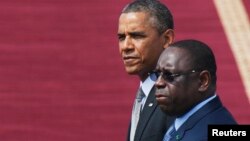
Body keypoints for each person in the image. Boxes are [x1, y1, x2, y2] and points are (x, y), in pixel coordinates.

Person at [153, 39, 237, 141]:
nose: (158, 83)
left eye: (169, 75)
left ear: (203, 81)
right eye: (157, 74)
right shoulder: (185, 117)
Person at [117, 0, 175, 141]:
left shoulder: (179, 97)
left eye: (137, 36)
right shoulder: (145, 93)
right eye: (121, 37)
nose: (126, 46)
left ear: (167, 39)